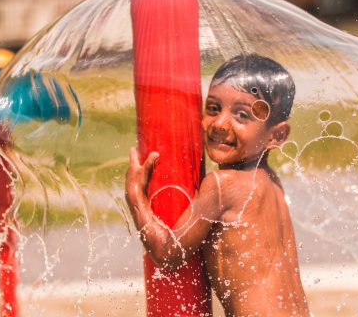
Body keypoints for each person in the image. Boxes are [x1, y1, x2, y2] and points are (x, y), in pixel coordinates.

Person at [125, 53, 310, 316]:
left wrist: (135, 195)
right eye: (213, 108)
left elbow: (168, 254)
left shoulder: (223, 186)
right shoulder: (270, 182)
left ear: (276, 135)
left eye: (242, 115)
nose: (220, 124)